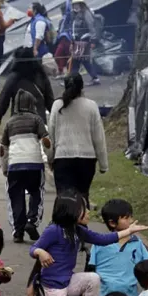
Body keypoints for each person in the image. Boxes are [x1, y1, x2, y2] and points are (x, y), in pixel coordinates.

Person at [28, 192, 148, 296]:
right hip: (53, 287)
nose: (88, 212)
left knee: (92, 279)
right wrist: (40, 252)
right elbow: (33, 249)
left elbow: (103, 239)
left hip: (67, 281)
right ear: (70, 211)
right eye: (83, 209)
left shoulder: (78, 230)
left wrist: (129, 231)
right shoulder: (54, 230)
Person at [48, 74, 108, 206]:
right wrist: (103, 164)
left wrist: (51, 158)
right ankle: (82, 224)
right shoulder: (91, 106)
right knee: (82, 196)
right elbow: (98, 137)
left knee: (64, 199)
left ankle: (64, 225)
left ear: (64, 86)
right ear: (82, 87)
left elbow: (50, 136)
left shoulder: (57, 105)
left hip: (62, 159)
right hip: (87, 160)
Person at [0, 90, 51, 243]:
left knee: (15, 196)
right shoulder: (37, 120)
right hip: (34, 164)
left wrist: (5, 168)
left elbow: (3, 148)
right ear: (32, 104)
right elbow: (46, 140)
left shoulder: (10, 123)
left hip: (15, 165)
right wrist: (50, 158)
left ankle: (18, 230)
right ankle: (32, 221)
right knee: (36, 193)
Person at [88, 199, 148, 296]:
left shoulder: (137, 243)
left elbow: (147, 266)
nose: (131, 221)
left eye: (131, 217)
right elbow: (91, 269)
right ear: (112, 223)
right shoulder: (99, 243)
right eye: (126, 218)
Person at [0, 46, 55, 127]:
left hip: (18, 123)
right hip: (39, 123)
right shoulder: (41, 76)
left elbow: (4, 98)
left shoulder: (12, 78)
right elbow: (50, 100)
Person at [69, 0, 101, 86]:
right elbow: (74, 30)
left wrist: (93, 41)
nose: (76, 6)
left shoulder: (86, 13)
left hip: (84, 40)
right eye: (74, 4)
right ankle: (95, 78)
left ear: (82, 4)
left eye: (77, 4)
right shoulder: (75, 15)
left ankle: (72, 81)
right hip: (78, 41)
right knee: (82, 61)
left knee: (77, 62)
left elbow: (91, 27)